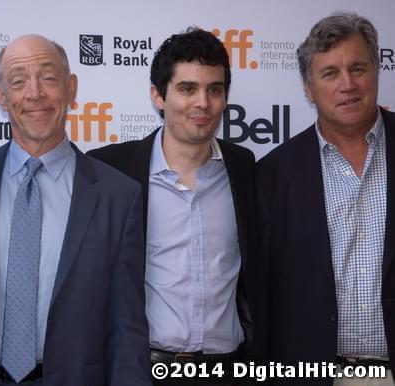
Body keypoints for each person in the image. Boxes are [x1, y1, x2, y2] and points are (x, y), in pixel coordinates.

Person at [0, 34, 151, 386]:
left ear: (71, 88)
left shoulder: (119, 195)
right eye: (19, 81)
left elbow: (126, 326)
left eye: (48, 78)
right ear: (1, 97)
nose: (34, 93)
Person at [88, 27, 256, 385]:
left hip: (229, 370)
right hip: (143, 371)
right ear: (158, 96)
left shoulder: (246, 170)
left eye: (215, 89)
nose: (202, 103)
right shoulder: (110, 171)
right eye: (187, 88)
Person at [255, 12, 395, 386]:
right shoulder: (273, 174)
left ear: (377, 72)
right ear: (308, 88)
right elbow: (264, 296)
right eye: (330, 73)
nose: (347, 85)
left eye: (358, 69)